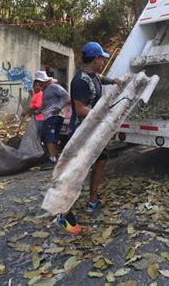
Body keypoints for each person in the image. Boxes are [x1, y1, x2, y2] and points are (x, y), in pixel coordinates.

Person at [54, 42, 122, 234]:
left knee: (101, 159)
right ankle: (63, 215)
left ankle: (93, 200)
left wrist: (115, 80)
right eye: (102, 59)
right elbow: (81, 109)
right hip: (81, 132)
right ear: (95, 59)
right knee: (77, 172)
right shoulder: (80, 81)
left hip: (94, 129)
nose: (103, 62)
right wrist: (106, 116)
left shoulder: (94, 75)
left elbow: (101, 78)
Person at [34, 71, 69, 170]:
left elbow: (66, 96)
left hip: (53, 116)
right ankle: (52, 156)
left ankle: (52, 159)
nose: (39, 84)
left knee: (49, 137)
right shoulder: (46, 90)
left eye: (40, 82)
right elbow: (45, 105)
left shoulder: (53, 87)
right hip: (49, 115)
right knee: (48, 137)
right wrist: (37, 112)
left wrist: (59, 107)